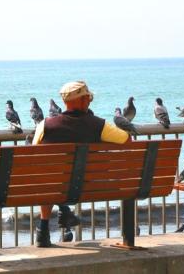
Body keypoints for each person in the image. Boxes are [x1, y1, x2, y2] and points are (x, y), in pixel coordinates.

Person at [32, 81, 131, 247]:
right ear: (81, 101)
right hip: (90, 186)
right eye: (88, 98)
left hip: (52, 185)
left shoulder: (45, 125)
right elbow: (127, 140)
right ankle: (65, 211)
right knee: (59, 178)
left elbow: (34, 158)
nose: (90, 101)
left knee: (49, 179)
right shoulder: (99, 125)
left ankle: (43, 231)